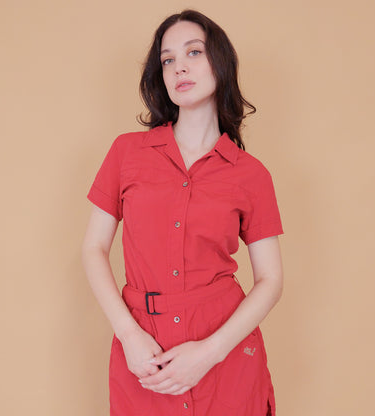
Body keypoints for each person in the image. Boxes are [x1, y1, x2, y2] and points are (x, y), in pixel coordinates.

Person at [82, 9, 284, 416]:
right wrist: (129, 336)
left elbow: (270, 279)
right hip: (145, 353)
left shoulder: (251, 175)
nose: (179, 67)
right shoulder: (126, 153)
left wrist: (210, 352)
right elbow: (93, 249)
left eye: (194, 52)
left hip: (224, 348)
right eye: (168, 59)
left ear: (220, 63)